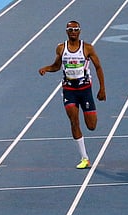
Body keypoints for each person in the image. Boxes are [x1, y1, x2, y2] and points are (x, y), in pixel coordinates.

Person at [39, 20, 106, 169]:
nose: (73, 31)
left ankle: (88, 112)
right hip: (69, 90)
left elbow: (98, 67)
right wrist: (47, 68)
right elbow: (57, 66)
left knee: (91, 126)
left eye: (76, 29)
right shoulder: (61, 48)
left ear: (79, 31)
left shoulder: (87, 48)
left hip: (85, 89)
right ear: (67, 31)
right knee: (74, 121)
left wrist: (102, 89)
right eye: (70, 29)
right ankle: (84, 158)